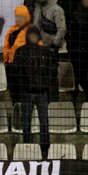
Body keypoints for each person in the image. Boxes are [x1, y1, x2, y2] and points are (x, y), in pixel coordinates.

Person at [13, 26, 57, 156]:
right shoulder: (21, 52)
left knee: (44, 121)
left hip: (42, 92)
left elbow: (53, 70)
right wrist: (24, 84)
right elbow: (16, 71)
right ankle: (27, 147)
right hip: (27, 92)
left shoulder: (46, 52)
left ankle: (45, 149)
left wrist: (46, 83)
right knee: (26, 121)